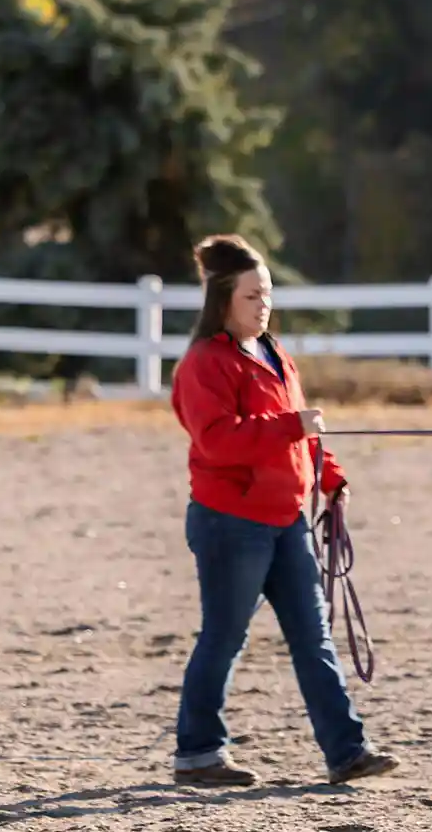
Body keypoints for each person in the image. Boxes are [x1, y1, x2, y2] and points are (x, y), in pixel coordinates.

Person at [166, 233, 399, 787]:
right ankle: (197, 753)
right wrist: (293, 428)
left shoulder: (274, 354)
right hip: (230, 523)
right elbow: (219, 441)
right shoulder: (204, 364)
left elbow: (302, 431)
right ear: (222, 298)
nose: (263, 305)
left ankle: (347, 751)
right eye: (252, 296)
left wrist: (330, 475)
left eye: (267, 294)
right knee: (224, 636)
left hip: (286, 519)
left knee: (312, 637)